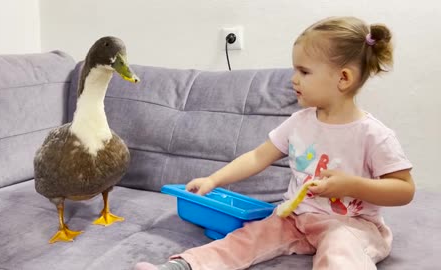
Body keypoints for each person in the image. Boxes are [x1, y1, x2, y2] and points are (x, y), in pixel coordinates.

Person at [134, 16, 415, 270]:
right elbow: (258, 157)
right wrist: (213, 180)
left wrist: (351, 186)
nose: (293, 79)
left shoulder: (373, 135)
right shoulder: (299, 122)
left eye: (304, 72)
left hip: (353, 226)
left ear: (343, 78)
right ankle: (182, 268)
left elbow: (404, 189)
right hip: (295, 219)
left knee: (340, 250)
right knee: (245, 238)